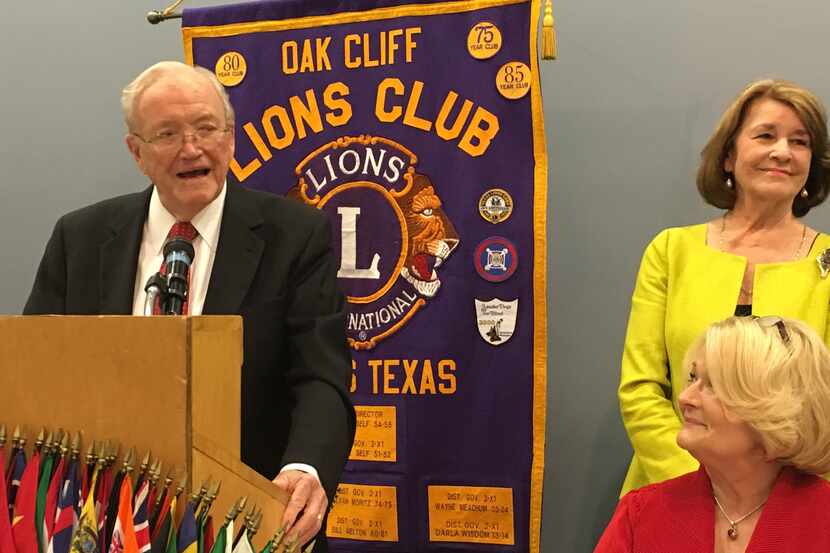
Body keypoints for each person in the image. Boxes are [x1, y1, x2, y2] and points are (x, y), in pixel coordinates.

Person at [23, 61, 355, 552]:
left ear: (231, 138)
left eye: (206, 128)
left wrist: (305, 467)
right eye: (167, 134)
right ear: (136, 152)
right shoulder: (80, 238)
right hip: (104, 520)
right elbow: (39, 370)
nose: (192, 148)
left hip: (245, 519)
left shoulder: (296, 235)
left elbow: (321, 375)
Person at [618, 79, 830, 495]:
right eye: (766, 135)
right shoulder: (670, 250)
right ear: (730, 156)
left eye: (799, 142)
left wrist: (768, 495)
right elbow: (640, 389)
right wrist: (696, 483)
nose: (782, 152)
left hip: (795, 501)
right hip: (669, 491)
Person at [598, 316, 830, 552]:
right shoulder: (640, 515)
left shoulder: (822, 520)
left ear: (775, 413)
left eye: (714, 385)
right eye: (693, 378)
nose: (685, 398)